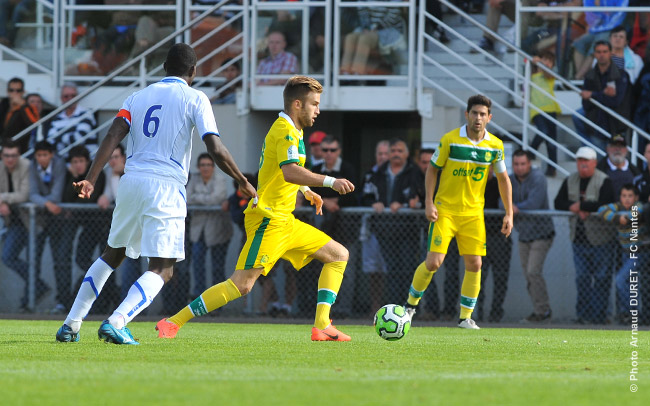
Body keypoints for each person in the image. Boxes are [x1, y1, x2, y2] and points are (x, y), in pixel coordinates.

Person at [54, 43, 256, 344]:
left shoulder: (137, 96)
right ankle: (117, 321)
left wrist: (91, 179)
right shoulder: (195, 97)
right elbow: (213, 145)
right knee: (163, 268)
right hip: (165, 185)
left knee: (113, 254)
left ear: (164, 69)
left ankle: (71, 324)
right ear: (193, 71)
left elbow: (113, 134)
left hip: (131, 181)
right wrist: (241, 179)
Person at [155, 75, 356, 342]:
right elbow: (290, 171)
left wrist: (307, 191)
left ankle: (322, 325)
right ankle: (171, 322)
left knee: (338, 255)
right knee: (242, 285)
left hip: (286, 221)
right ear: (297, 104)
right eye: (314, 104)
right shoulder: (284, 130)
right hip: (268, 221)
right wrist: (330, 182)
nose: (318, 110)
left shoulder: (294, 130)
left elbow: (275, 173)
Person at [404, 94, 513, 330]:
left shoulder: (495, 145)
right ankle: (409, 307)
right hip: (446, 211)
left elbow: (504, 179)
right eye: (474, 113)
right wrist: (429, 203)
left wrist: (509, 213)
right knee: (433, 263)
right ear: (467, 114)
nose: (478, 117)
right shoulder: (450, 140)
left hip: (474, 214)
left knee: (475, 264)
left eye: (483, 114)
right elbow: (432, 171)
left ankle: (465, 318)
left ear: (489, 118)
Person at [554, 146, 617, 324]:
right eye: (579, 160)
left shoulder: (604, 180)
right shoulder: (570, 179)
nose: (582, 164)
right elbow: (558, 202)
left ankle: (600, 316)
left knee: (602, 279)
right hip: (579, 238)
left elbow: (607, 203)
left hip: (601, 240)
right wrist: (572, 207)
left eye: (586, 161)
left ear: (594, 163)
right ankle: (583, 315)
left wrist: (582, 207)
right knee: (582, 278)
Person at [361, 138, 422, 306]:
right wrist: (373, 203)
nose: (395, 154)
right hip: (384, 230)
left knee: (408, 269)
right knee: (392, 271)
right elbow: (365, 195)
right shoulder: (378, 173)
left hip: (408, 231)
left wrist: (403, 204)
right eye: (393, 151)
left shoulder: (414, 172)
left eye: (399, 151)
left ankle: (409, 308)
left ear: (407, 154)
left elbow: (420, 195)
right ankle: (394, 308)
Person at [311, 134, 358, 318]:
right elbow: (309, 193)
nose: (329, 154)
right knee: (316, 268)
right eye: (325, 150)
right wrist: (326, 202)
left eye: (333, 150)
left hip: (345, 228)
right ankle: (318, 309)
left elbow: (354, 195)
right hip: (321, 227)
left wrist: (333, 202)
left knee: (346, 268)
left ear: (339, 152)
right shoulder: (315, 169)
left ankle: (344, 310)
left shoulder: (347, 169)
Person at [0, 140, 47, 311]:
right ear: (2, 155)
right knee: (8, 257)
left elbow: (24, 194)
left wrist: (3, 198)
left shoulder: (27, 166)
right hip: (14, 224)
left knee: (33, 262)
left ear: (18, 155)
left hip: (34, 222)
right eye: (6, 155)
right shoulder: (1, 168)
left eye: (13, 155)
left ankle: (27, 303)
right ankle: (38, 286)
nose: (10, 159)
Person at [509, 149, 555, 323]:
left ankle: (543, 310)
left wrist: (515, 207)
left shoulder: (538, 178)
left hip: (542, 233)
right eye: (516, 164)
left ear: (529, 164)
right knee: (528, 275)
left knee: (533, 271)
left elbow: (534, 203)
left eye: (523, 164)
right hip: (523, 234)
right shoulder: (510, 179)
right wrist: (509, 206)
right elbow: (501, 199)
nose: (519, 168)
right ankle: (539, 310)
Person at [598, 183, 648, 324]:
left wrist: (626, 218)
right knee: (628, 282)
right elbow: (602, 210)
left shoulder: (638, 206)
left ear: (636, 197)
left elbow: (637, 211)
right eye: (624, 196)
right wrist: (616, 218)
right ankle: (628, 313)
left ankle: (633, 312)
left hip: (638, 253)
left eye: (630, 196)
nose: (627, 199)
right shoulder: (618, 207)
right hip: (626, 253)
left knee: (620, 280)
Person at [29, 140, 68, 314]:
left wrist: (45, 202)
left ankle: (62, 301)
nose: (42, 159)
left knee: (59, 261)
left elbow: (57, 193)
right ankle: (29, 299)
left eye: (45, 155)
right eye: (39, 155)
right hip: (38, 219)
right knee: (33, 260)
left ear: (51, 155)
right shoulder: (32, 166)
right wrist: (47, 204)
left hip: (59, 221)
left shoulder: (59, 165)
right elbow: (32, 194)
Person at [186, 153, 232, 298]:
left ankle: (216, 301)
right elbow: (187, 197)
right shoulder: (194, 179)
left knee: (217, 267)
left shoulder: (220, 179)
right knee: (198, 265)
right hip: (198, 230)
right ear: (198, 167)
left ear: (213, 166)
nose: (205, 168)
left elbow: (216, 198)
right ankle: (199, 299)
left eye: (208, 165)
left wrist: (197, 198)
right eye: (202, 165)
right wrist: (206, 199)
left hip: (218, 230)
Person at [573, 40, 632, 152]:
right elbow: (586, 103)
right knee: (577, 116)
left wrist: (593, 95)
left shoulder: (621, 74)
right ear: (594, 54)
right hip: (597, 119)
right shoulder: (590, 75)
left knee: (613, 156)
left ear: (610, 53)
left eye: (605, 52)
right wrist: (603, 94)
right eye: (598, 52)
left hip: (616, 121)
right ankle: (589, 154)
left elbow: (616, 102)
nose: (602, 55)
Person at [476, 167, 512, 323]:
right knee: (478, 277)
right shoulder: (474, 183)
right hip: (478, 237)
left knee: (500, 278)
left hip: (499, 237)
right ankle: (477, 313)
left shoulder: (501, 182)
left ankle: (496, 313)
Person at [360, 140, 390, 315]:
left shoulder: (396, 173)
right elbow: (362, 196)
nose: (383, 157)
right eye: (380, 154)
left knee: (391, 270)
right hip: (372, 228)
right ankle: (375, 306)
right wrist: (373, 203)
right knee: (373, 270)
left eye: (386, 154)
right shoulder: (371, 174)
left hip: (394, 231)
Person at [572, 0, 629, 80]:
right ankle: (583, 79)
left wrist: (602, 11)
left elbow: (618, 14)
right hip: (596, 29)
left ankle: (577, 77)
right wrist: (598, 7)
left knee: (596, 47)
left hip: (613, 29)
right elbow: (591, 18)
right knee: (578, 43)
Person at [529, 50, 561, 177]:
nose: (546, 63)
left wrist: (541, 64)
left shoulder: (550, 75)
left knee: (552, 142)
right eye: (545, 60)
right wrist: (534, 63)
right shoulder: (532, 74)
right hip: (537, 110)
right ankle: (531, 152)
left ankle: (552, 168)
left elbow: (548, 73)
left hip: (551, 109)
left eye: (550, 62)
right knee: (543, 131)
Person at [47, 84, 98, 159]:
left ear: (78, 97)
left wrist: (60, 135)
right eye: (66, 96)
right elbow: (50, 140)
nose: (70, 99)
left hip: (87, 161)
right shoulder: (57, 118)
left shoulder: (86, 114)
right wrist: (71, 133)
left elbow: (78, 139)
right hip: (65, 163)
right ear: (61, 98)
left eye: (73, 96)